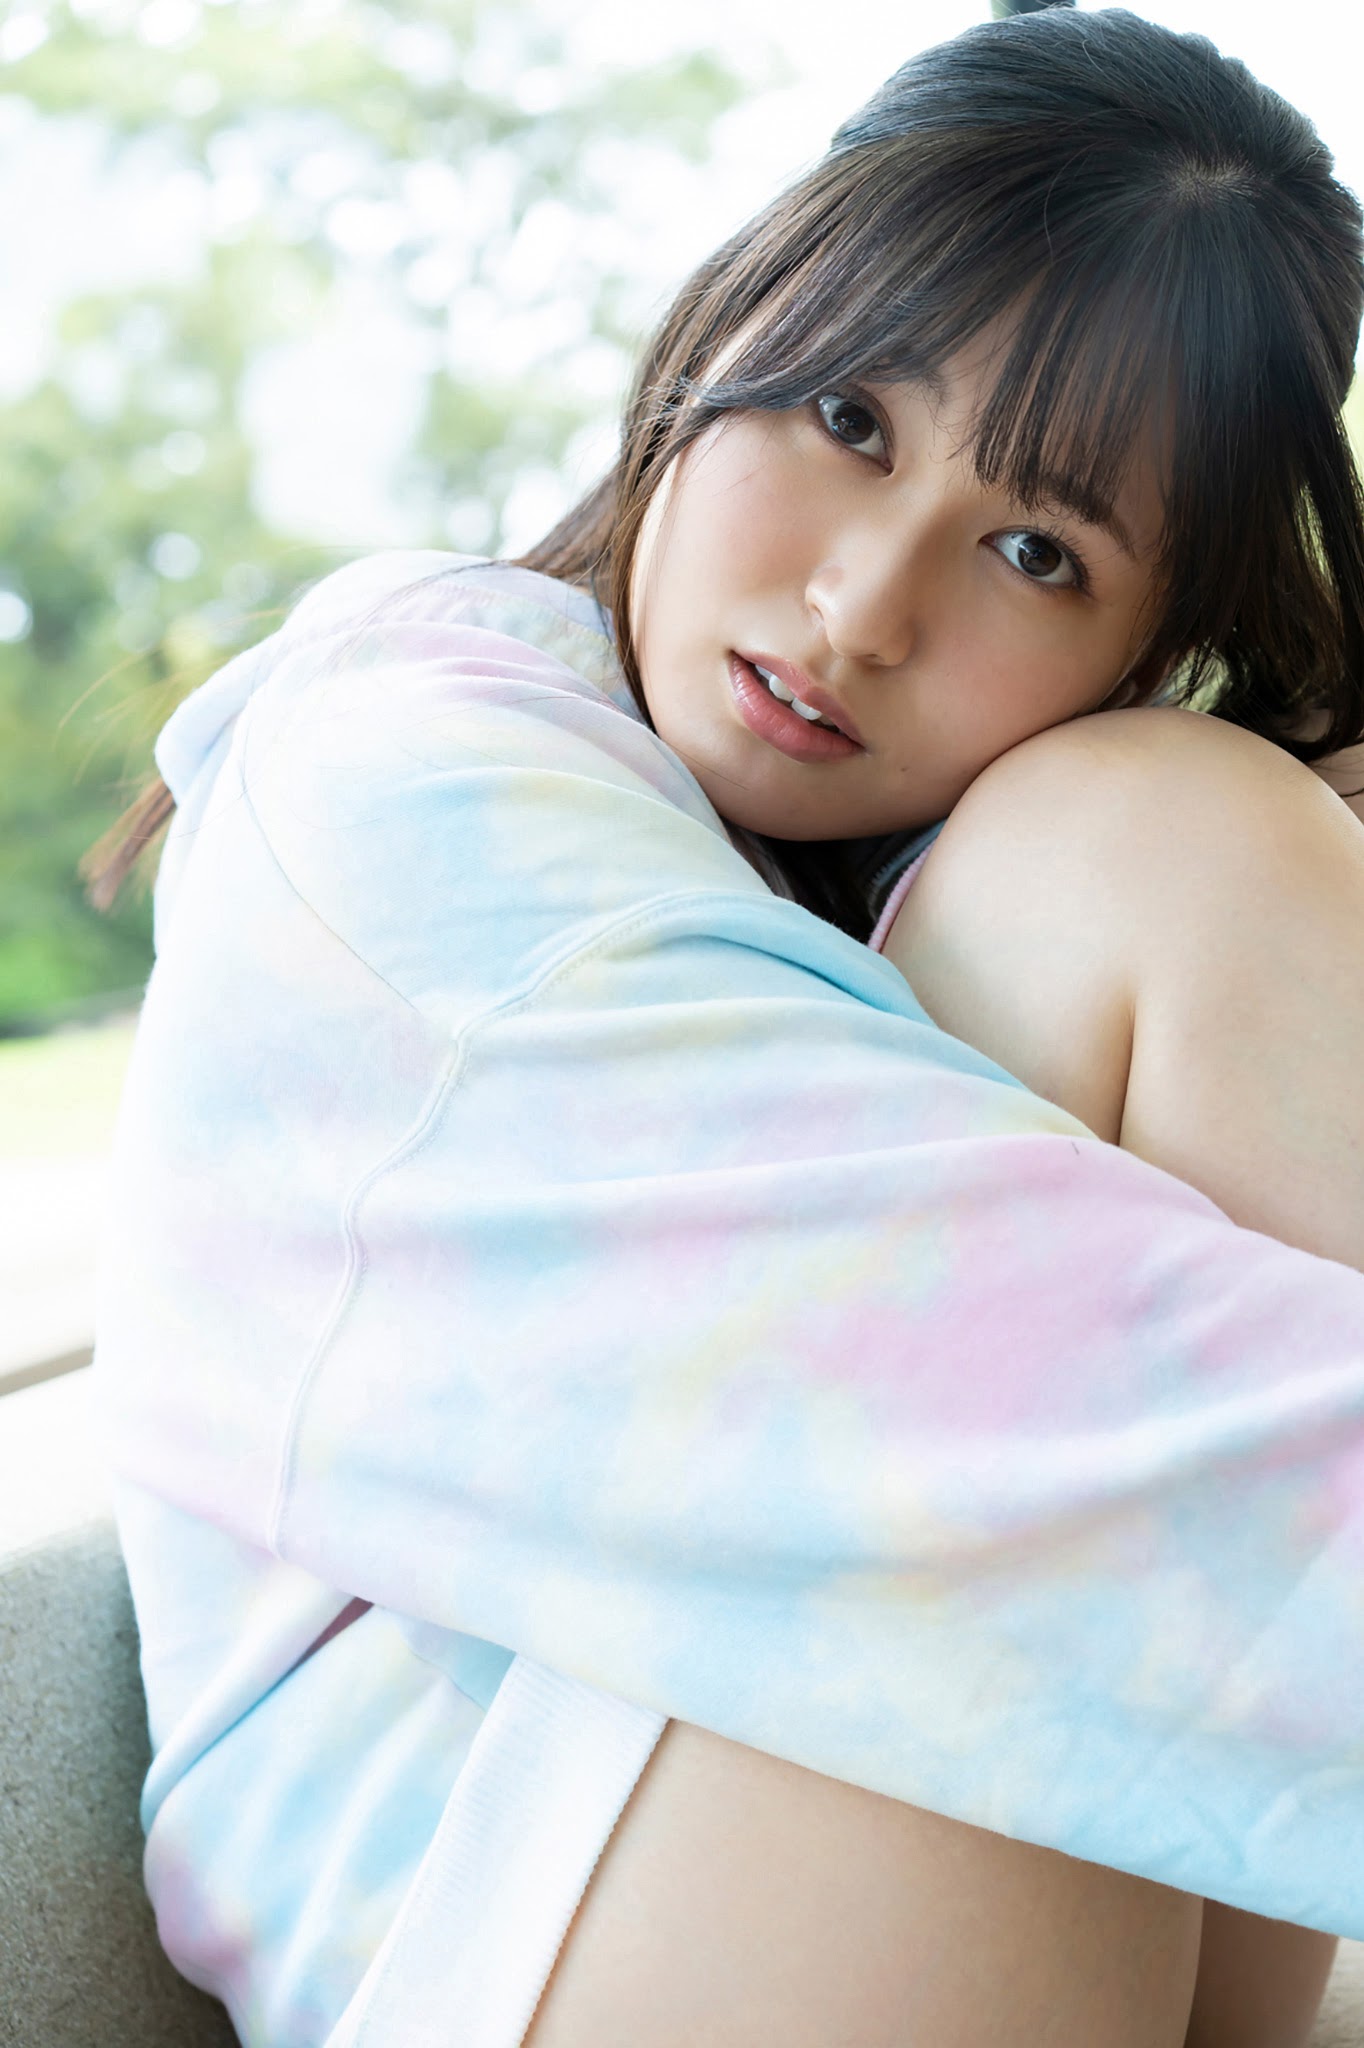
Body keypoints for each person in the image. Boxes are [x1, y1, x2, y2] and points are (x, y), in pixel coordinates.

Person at [86, 8, 1364, 2045]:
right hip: (497, 1911)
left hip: (866, 1851)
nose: (865, 605)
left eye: (1036, 552)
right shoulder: (411, 780)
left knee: (1202, 834)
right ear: (735, 312)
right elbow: (1017, 1386)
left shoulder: (993, 862)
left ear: (1146, 642)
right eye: (849, 417)